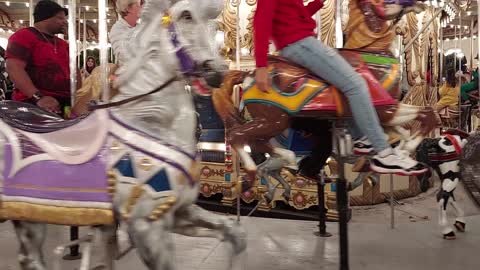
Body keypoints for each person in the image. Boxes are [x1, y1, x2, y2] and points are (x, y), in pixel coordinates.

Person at [253, 0, 426, 175]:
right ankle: (384, 153)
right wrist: (260, 64)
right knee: (356, 85)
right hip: (300, 44)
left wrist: (318, 3)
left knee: (348, 83)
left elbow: (294, 17)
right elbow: (262, 20)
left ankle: (361, 136)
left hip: (301, 42)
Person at [5, 0, 76, 116]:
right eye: (60, 18)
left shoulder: (63, 44)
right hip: (34, 103)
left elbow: (74, 72)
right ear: (46, 18)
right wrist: (38, 97)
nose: (65, 22)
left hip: (65, 102)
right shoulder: (24, 36)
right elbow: (14, 68)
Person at [109, 0, 143, 66]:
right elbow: (125, 56)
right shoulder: (117, 30)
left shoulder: (140, 27)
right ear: (128, 9)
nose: (141, 8)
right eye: (138, 5)